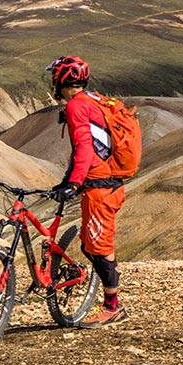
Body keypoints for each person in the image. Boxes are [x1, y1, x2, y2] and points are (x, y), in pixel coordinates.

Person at [45, 55, 129, 328]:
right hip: (106, 182)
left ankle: (112, 308)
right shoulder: (95, 99)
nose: (52, 82)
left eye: (54, 77)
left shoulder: (77, 106)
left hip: (99, 187)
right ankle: (109, 301)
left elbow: (84, 148)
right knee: (91, 243)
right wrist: (70, 179)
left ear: (61, 80)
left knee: (100, 247)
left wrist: (73, 182)